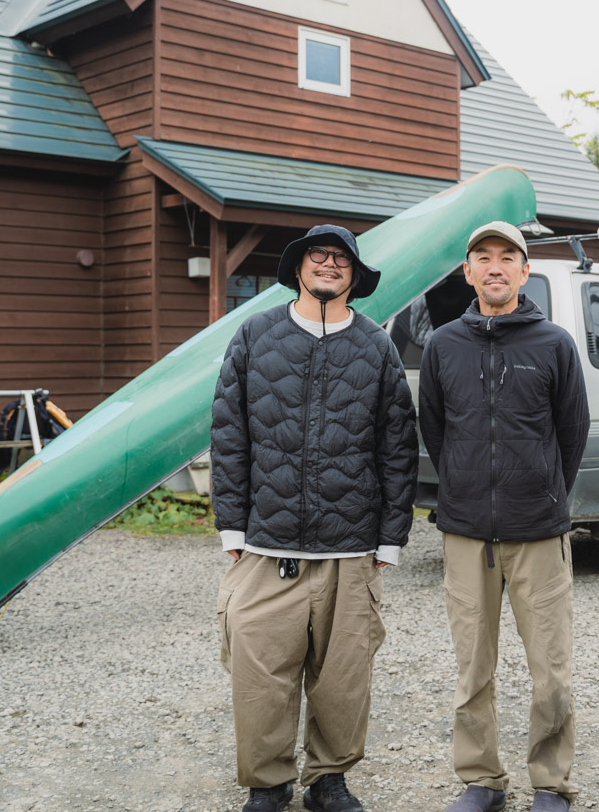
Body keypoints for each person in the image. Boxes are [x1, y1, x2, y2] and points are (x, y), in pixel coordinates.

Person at [211, 224, 419, 812]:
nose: (328, 264)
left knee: (344, 677)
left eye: (340, 259)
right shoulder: (255, 334)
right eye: (317, 256)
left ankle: (329, 779)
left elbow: (396, 447)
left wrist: (390, 538)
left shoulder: (376, 346)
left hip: (350, 545)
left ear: (354, 275)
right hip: (266, 540)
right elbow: (229, 433)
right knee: (259, 674)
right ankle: (268, 783)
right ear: (298, 268)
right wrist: (233, 523)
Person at [418, 221, 591, 812]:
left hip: (537, 534)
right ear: (468, 272)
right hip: (466, 534)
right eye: (482, 258)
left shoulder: (553, 344)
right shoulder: (444, 345)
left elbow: (572, 432)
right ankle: (481, 780)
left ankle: (552, 783)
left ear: (523, 271)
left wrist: (543, 495)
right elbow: (436, 430)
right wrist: (468, 488)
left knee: (552, 671)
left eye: (507, 257)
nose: (495, 267)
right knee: (472, 667)